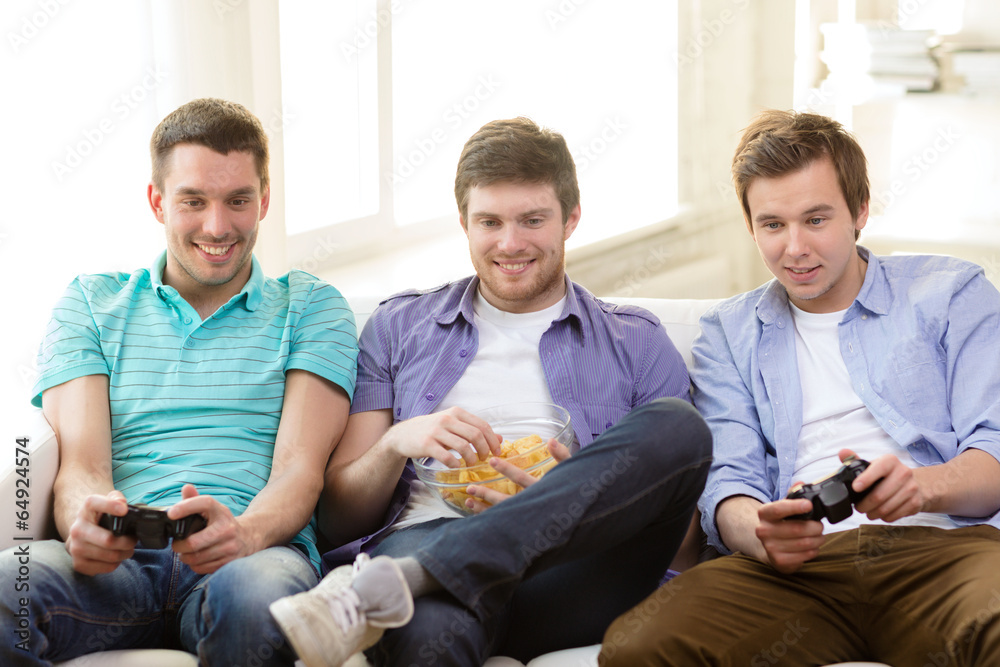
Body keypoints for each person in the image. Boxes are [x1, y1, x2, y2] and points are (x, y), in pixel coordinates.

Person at [267, 117, 713, 667]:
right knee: (421, 633)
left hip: (576, 569)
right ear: (464, 222)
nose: (510, 243)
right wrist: (395, 443)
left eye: (532, 220)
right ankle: (409, 580)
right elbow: (340, 520)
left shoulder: (636, 341)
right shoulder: (398, 327)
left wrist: (577, 495)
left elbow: (686, 534)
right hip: (428, 552)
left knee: (680, 425)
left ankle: (400, 581)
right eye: (490, 221)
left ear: (571, 219)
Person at [599, 109, 1000, 666]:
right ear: (750, 225)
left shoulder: (952, 294)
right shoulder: (727, 333)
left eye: (816, 219)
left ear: (860, 211)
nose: (794, 249)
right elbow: (730, 479)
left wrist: (921, 487)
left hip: (947, 552)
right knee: (638, 648)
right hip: (794, 570)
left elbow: (995, 451)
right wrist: (757, 531)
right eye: (772, 224)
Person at [0, 98, 358, 666]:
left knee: (259, 606)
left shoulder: (312, 306)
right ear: (157, 201)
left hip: (251, 556)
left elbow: (300, 469)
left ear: (263, 199)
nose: (218, 227)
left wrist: (245, 534)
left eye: (238, 201)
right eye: (193, 201)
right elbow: (82, 470)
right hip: (119, 566)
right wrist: (83, 523)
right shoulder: (91, 303)